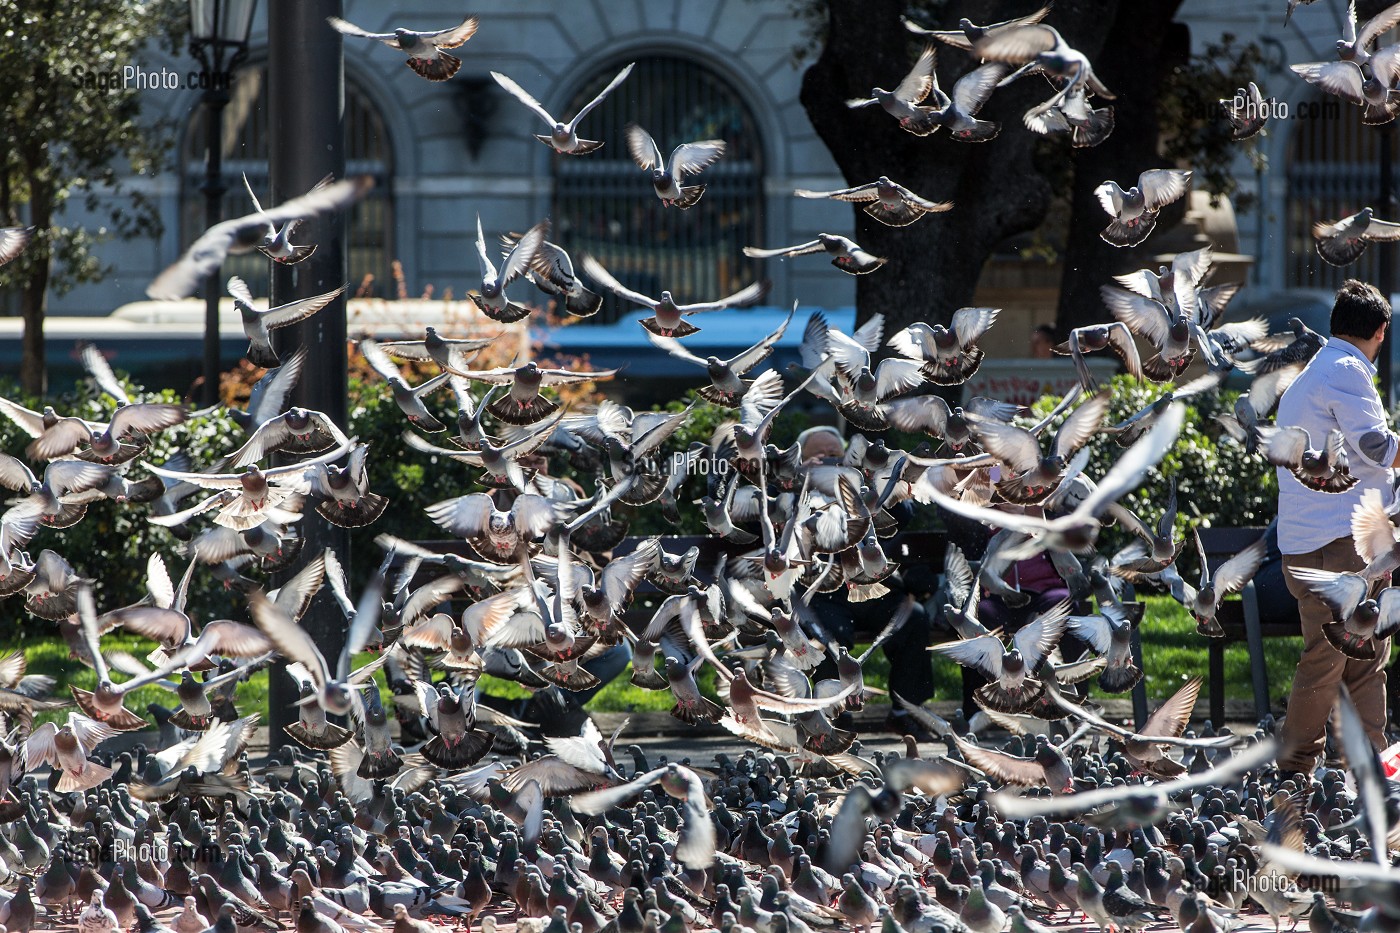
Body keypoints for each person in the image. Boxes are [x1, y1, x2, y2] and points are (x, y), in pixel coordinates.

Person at [1275, 279, 1400, 780]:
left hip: (1320, 542)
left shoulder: (1316, 371)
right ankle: (1297, 767)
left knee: (1363, 654)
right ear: (1381, 331)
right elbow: (1376, 446)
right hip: (1339, 545)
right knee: (1328, 659)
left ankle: (1371, 764)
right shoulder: (1346, 368)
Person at [796, 425, 939, 736]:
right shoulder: (795, 490)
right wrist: (800, 481)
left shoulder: (861, 485)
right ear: (802, 458)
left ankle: (906, 710)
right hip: (824, 591)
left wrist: (872, 483)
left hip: (875, 586)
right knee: (828, 635)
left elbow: (903, 515)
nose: (829, 460)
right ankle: (835, 711)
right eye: (819, 455)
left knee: (912, 618)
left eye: (835, 454)